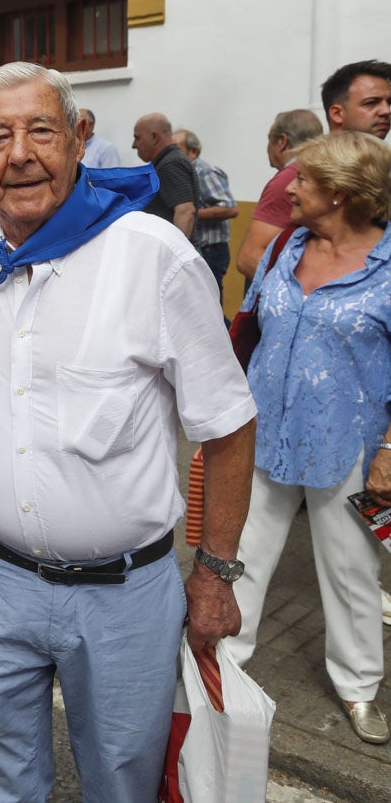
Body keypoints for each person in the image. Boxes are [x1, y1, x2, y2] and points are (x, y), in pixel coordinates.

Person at [0, 63, 255, 802]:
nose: (19, 153)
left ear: (78, 138)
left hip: (124, 595)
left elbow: (226, 426)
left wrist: (215, 571)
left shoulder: (153, 256)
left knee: (123, 781)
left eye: (40, 129)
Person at [228, 131, 391, 745]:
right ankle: (223, 664)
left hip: (347, 440)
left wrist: (389, 452)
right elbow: (255, 328)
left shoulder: (387, 266)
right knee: (239, 553)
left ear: (343, 194)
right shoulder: (283, 247)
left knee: (350, 571)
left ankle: (358, 687)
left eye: (304, 180)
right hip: (263, 429)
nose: (288, 188)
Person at [236, 109, 324, 279]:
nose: (292, 188)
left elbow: (249, 258)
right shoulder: (314, 173)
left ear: (282, 141)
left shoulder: (286, 179)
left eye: (269, 140)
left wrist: (295, 292)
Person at [173, 128, 238, 302]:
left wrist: (188, 214)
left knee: (210, 306)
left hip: (211, 251)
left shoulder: (205, 172)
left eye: (176, 148)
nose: (172, 153)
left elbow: (230, 208)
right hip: (198, 249)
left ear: (193, 151)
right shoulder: (182, 172)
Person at [132, 112, 198, 237]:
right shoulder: (168, 161)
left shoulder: (171, 163)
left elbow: (185, 211)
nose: (134, 145)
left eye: (137, 137)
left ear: (155, 137)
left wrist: (176, 252)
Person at [321, 59, 391, 140]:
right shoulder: (312, 153)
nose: (386, 111)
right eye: (371, 103)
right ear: (337, 114)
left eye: (389, 103)